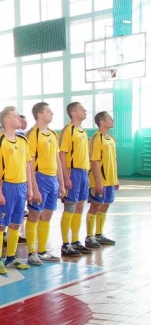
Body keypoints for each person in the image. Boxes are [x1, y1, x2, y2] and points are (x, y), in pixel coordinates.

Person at [0, 107, 33, 274]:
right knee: (1, 225)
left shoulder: (22, 140)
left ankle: (11, 258)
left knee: (16, 223)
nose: (19, 118)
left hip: (21, 186)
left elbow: (27, 165)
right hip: (6, 187)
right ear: (7, 120)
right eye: (15, 116)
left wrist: (29, 187)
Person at [24, 102, 65, 265]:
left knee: (47, 215)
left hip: (52, 179)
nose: (52, 113)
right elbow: (29, 163)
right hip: (39, 178)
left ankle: (42, 250)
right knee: (34, 214)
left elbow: (57, 160)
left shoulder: (53, 134)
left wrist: (61, 183)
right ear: (40, 115)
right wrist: (33, 188)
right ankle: (32, 252)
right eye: (48, 111)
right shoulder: (33, 134)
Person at [59, 102, 92, 256]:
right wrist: (66, 177)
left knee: (79, 207)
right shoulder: (68, 130)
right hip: (72, 172)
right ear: (73, 113)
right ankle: (65, 244)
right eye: (81, 108)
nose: (84, 110)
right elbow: (62, 155)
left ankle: (75, 241)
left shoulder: (83, 131)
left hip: (83, 173)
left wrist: (87, 175)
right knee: (70, 207)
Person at [85, 111, 118, 248]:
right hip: (98, 181)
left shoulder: (111, 139)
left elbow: (113, 160)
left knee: (105, 205)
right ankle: (89, 236)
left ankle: (99, 234)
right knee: (95, 206)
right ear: (102, 122)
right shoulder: (96, 138)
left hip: (110, 180)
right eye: (110, 119)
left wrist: (115, 179)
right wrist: (98, 182)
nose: (112, 120)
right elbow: (94, 161)